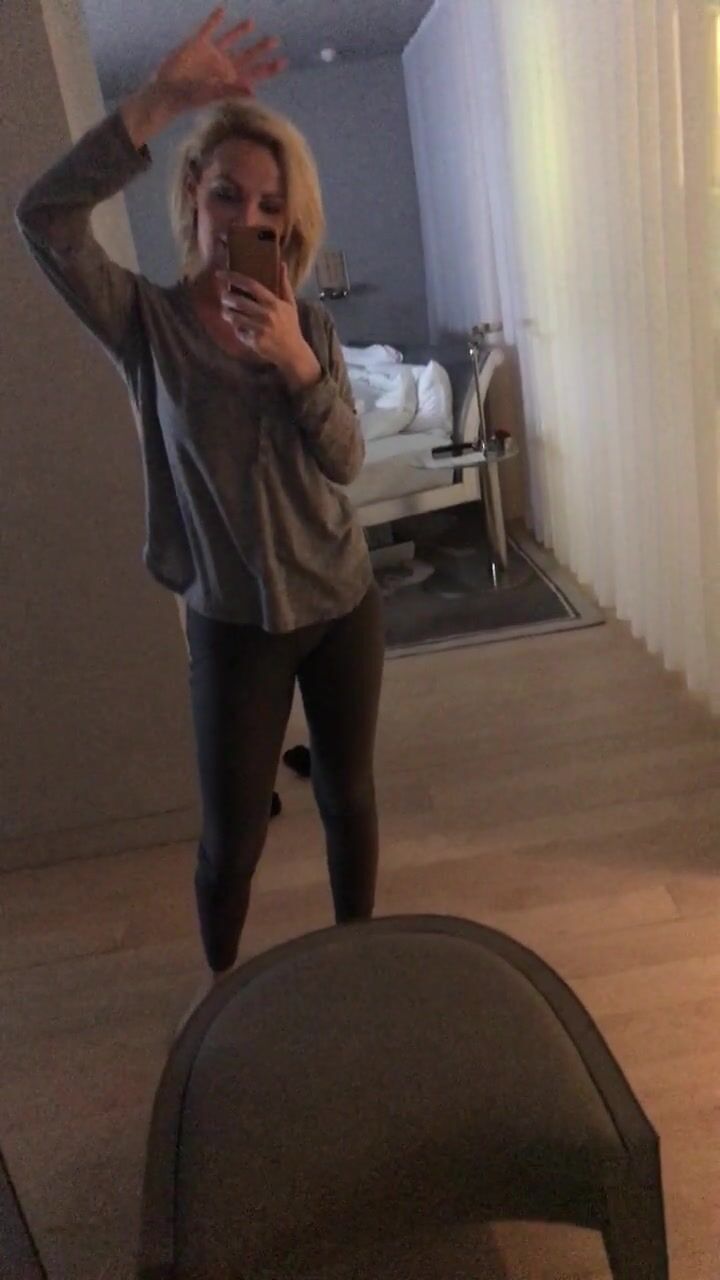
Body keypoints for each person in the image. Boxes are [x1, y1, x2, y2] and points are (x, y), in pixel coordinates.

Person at [16, 6, 384, 1029]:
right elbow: (44, 218)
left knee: (348, 797)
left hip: (342, 602)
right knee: (232, 840)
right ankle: (217, 989)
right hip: (231, 623)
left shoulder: (310, 327)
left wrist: (299, 364)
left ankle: (360, 970)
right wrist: (157, 103)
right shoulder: (148, 324)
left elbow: (347, 462)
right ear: (194, 194)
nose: (244, 220)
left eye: (268, 205)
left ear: (288, 224)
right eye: (227, 193)